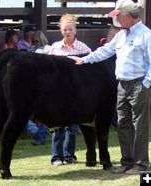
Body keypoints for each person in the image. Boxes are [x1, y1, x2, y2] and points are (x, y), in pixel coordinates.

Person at [69, 0, 151, 174]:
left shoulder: (146, 35)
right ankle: (127, 162)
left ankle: (140, 165)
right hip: (122, 85)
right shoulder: (122, 35)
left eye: (119, 17)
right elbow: (105, 51)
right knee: (123, 124)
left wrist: (145, 85)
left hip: (138, 84)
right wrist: (84, 59)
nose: (117, 21)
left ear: (127, 16)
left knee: (140, 127)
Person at [48, 13, 91, 166]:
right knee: (57, 126)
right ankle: (56, 157)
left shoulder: (84, 48)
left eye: (70, 29)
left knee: (72, 126)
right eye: (65, 29)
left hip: (75, 92)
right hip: (58, 92)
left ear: (75, 30)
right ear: (61, 31)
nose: (67, 32)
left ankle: (69, 155)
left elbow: (89, 70)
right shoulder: (54, 48)